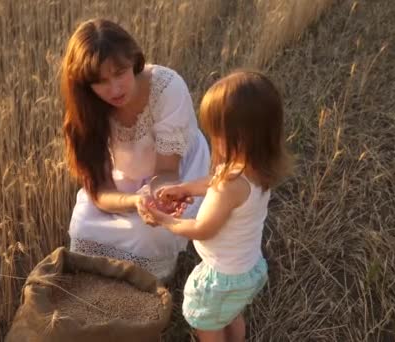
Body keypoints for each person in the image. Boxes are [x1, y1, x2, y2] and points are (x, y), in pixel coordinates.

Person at [140, 71, 293, 342]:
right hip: (248, 267)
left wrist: (164, 220)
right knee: (231, 314)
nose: (213, 140)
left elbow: (201, 228)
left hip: (222, 278)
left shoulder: (230, 186)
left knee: (208, 323)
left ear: (240, 137)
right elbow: (215, 179)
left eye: (217, 134)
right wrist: (185, 188)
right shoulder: (255, 169)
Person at [60, 18, 210, 280]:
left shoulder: (167, 89)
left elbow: (166, 172)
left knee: (149, 232)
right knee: (83, 221)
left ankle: (147, 281)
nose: (115, 89)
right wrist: (135, 202)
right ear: (85, 84)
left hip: (173, 176)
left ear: (134, 60)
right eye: (100, 81)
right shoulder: (88, 111)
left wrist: (156, 200)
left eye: (119, 73)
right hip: (129, 177)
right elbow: (101, 192)